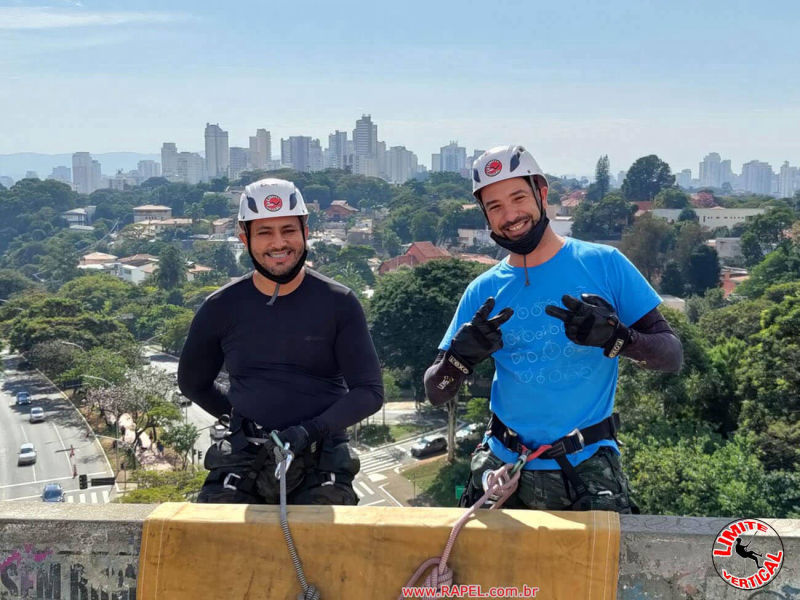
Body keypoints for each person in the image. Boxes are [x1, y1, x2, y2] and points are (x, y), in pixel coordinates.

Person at [424, 145, 683, 513]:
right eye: (495, 206)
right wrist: (459, 360)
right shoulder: (483, 292)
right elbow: (436, 390)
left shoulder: (604, 265)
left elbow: (670, 355)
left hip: (586, 467)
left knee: (595, 571)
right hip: (502, 467)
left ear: (542, 194)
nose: (510, 215)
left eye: (518, 197)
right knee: (487, 572)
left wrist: (617, 338)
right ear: (485, 217)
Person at [178, 177, 383, 505]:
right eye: (264, 232)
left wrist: (310, 431)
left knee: (326, 549)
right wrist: (241, 421)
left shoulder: (338, 303)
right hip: (246, 457)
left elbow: (369, 391)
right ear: (245, 238)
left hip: (320, 455)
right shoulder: (221, 307)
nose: (278, 243)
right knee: (212, 539)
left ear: (305, 231)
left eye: (288, 230)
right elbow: (192, 383)